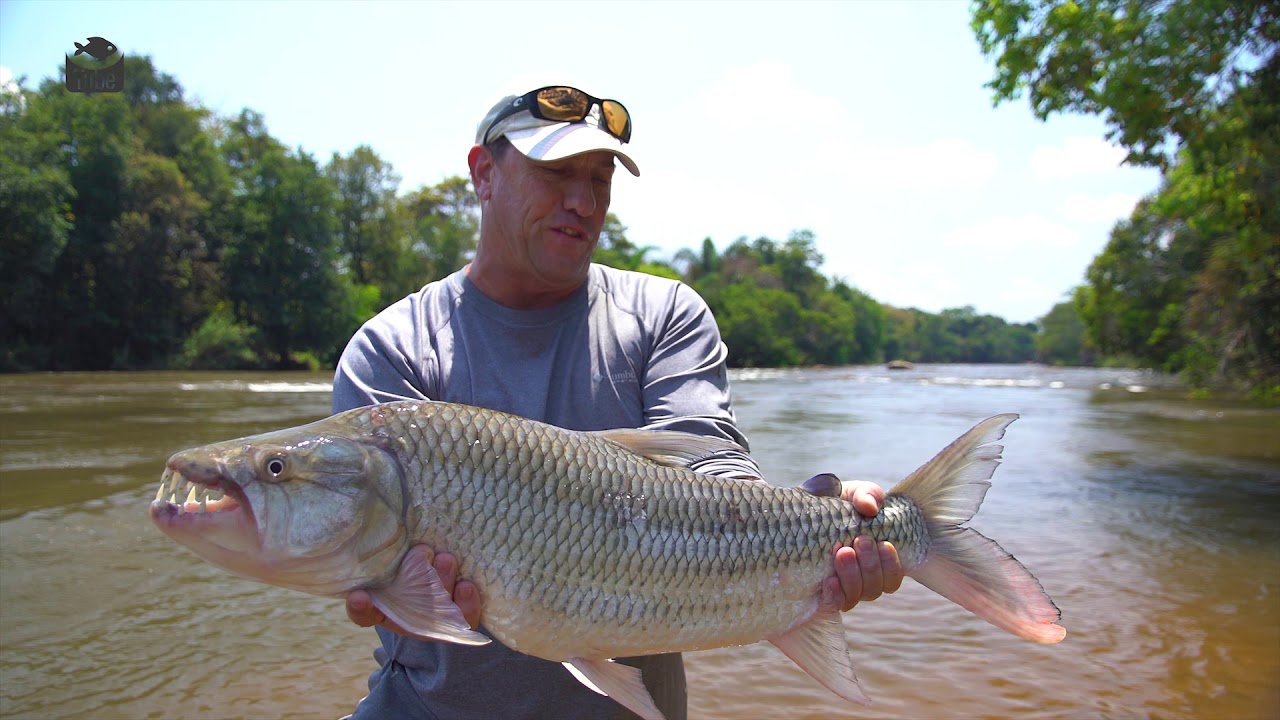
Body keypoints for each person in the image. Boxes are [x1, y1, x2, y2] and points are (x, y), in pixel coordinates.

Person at [332, 84, 904, 720]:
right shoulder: (393, 348)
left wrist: (830, 528)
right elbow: (362, 558)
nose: (584, 200)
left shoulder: (665, 315)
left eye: (600, 176)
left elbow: (712, 469)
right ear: (483, 172)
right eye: (557, 173)